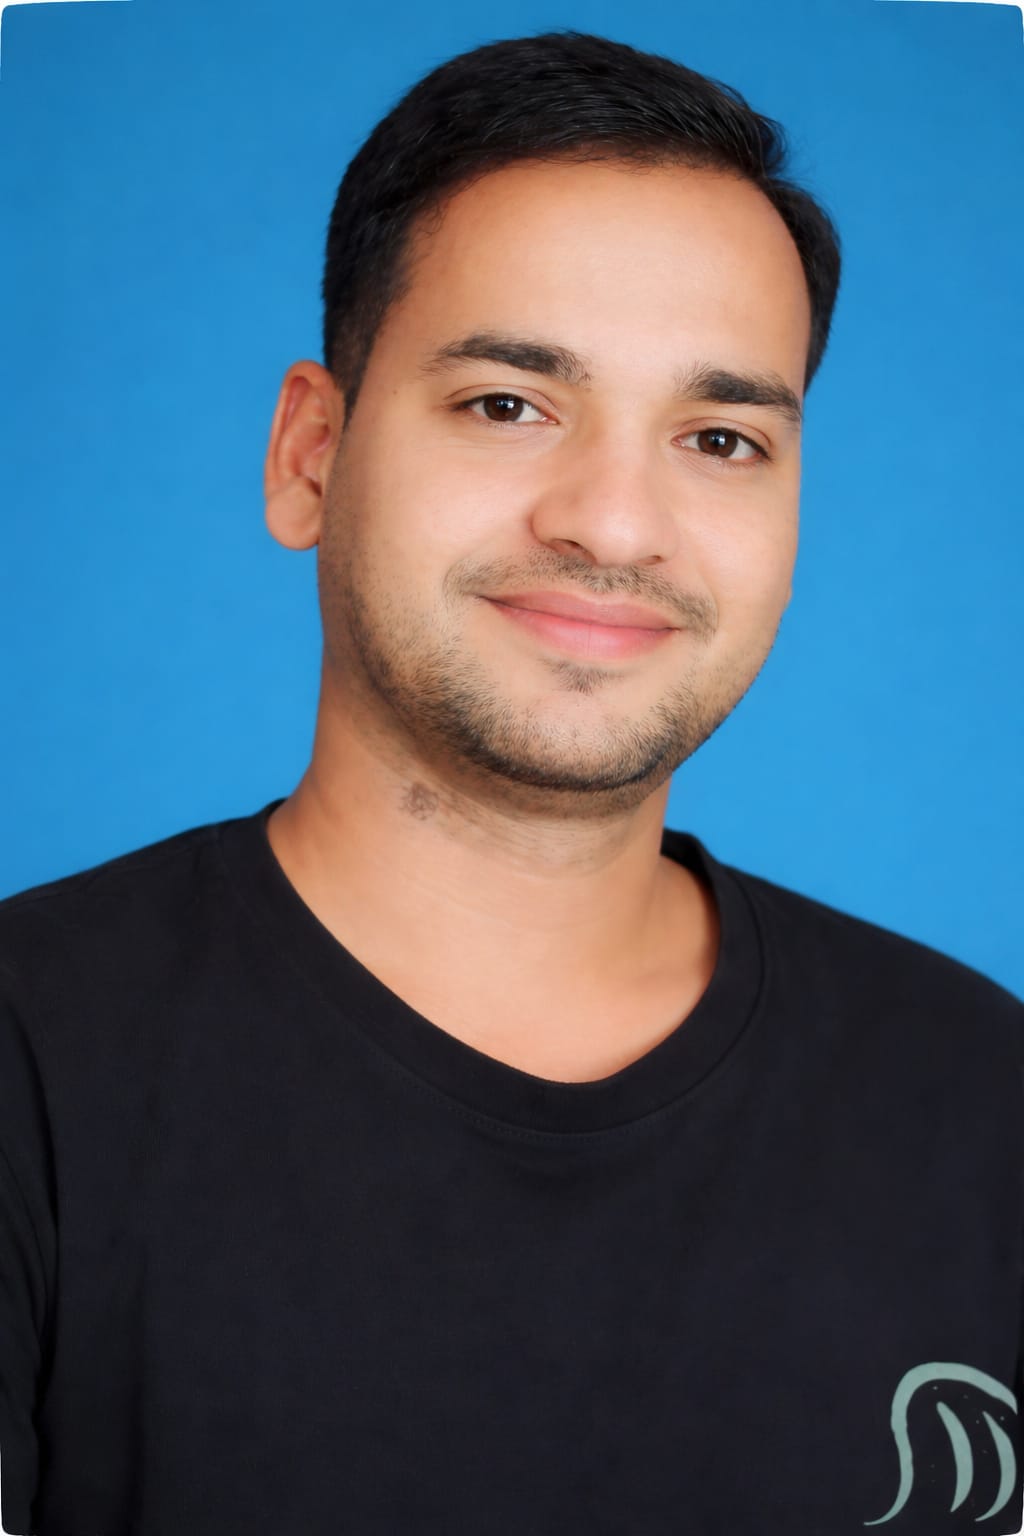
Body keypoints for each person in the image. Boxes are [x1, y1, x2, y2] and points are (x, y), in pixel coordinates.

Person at [1, 27, 1021, 1536]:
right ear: (311, 455)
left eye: (720, 437)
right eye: (507, 404)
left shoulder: (985, 1099)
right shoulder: (33, 1064)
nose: (616, 521)